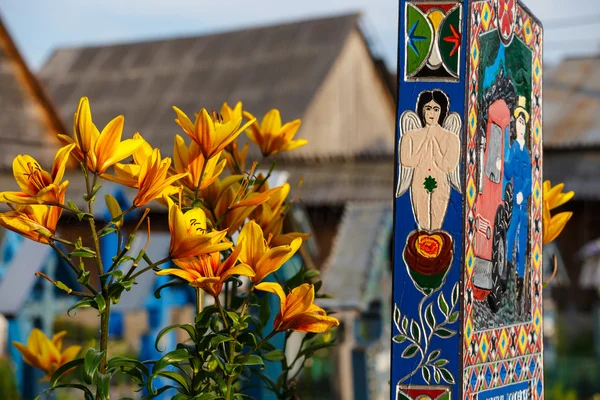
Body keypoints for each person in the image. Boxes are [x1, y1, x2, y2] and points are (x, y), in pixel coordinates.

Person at [397, 90, 461, 231]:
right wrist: (425, 143)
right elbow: (406, 160)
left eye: (436, 109)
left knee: (437, 222)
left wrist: (436, 148)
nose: (431, 113)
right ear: (422, 110)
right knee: (422, 223)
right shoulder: (410, 136)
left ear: (442, 111)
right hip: (419, 179)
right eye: (428, 108)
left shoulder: (451, 138)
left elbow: (448, 165)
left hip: (441, 182)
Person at [504, 96, 532, 307]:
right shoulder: (513, 149)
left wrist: (523, 191)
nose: (519, 126)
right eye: (517, 123)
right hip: (513, 206)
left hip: (522, 207)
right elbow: (509, 172)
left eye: (522, 122)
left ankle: (519, 287)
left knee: (522, 246)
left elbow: (530, 180)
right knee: (508, 239)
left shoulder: (526, 152)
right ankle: (505, 279)